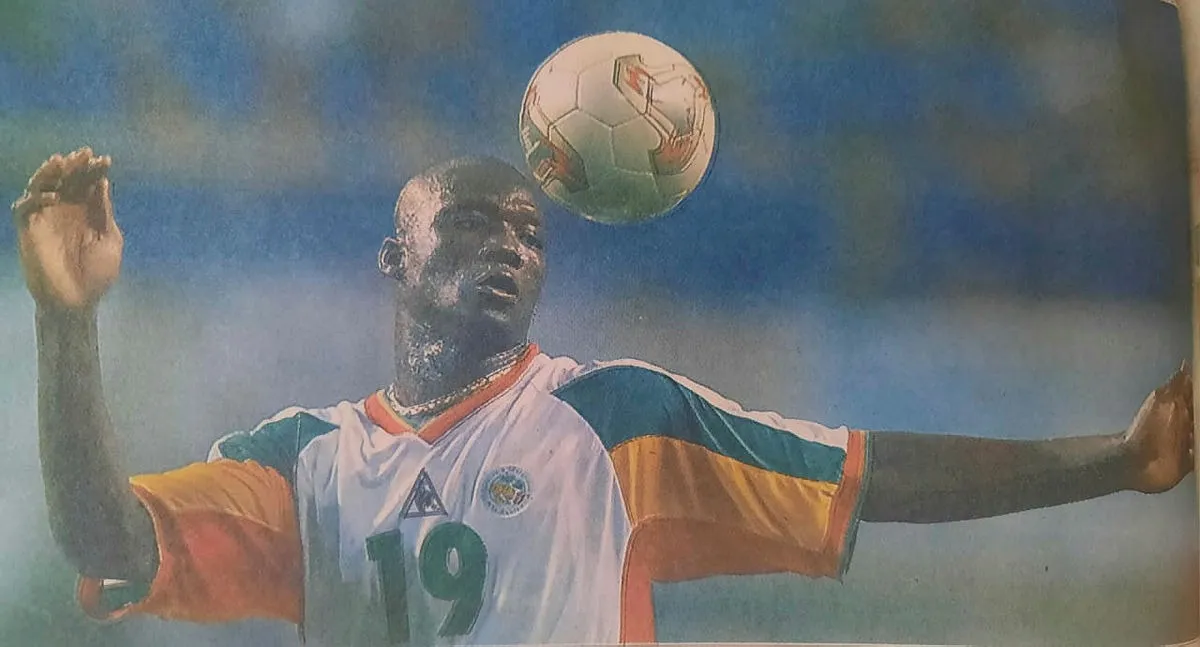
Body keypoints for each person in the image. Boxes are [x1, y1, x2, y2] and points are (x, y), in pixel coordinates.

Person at [13, 147, 1195, 646]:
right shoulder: (299, 458)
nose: (512, 244)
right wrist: (66, 325)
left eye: (530, 230)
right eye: (473, 221)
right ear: (394, 258)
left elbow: (868, 472)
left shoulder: (619, 417)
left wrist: (1120, 457)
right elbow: (106, 534)